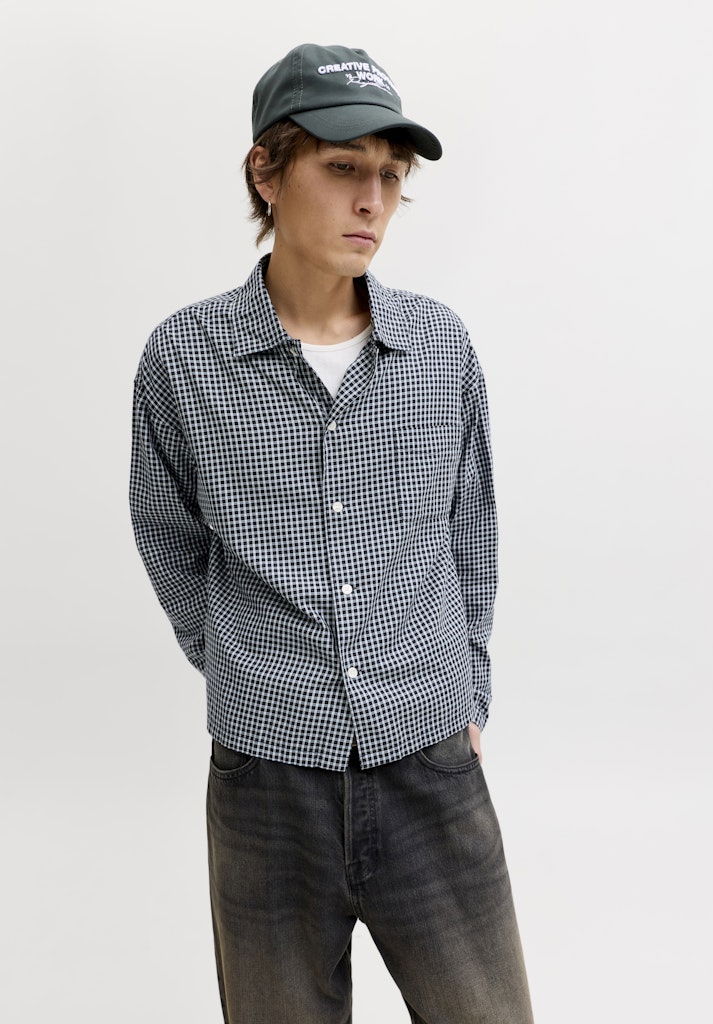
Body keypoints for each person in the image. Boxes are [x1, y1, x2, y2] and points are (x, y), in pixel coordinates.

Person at [129, 41, 535, 1024]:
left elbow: (471, 529)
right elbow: (166, 529)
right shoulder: (184, 358)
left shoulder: (438, 347)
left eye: (391, 177)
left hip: (430, 756)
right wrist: (241, 661)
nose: (372, 201)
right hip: (266, 782)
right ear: (267, 173)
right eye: (344, 167)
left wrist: (468, 689)